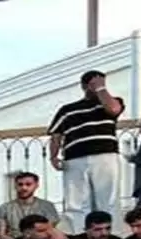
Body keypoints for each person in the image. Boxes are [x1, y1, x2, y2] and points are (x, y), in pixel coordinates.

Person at [49, 72, 125, 223]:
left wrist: (101, 89)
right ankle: (78, 232)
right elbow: (56, 134)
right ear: (84, 86)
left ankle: (110, 231)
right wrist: (53, 156)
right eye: (93, 84)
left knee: (108, 199)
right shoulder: (67, 109)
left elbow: (114, 110)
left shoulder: (111, 102)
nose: (97, 86)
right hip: (74, 157)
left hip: (105, 154)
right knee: (76, 202)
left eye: (101, 82)